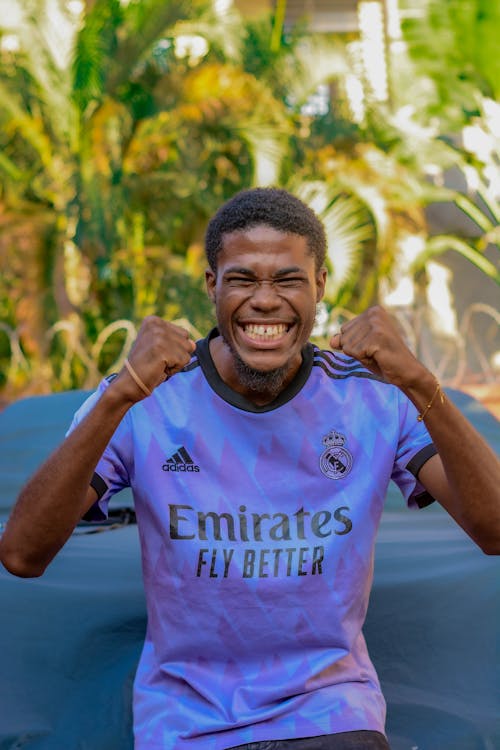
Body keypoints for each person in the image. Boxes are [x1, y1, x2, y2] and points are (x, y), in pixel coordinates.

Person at [1, 188, 499, 750]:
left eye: (288, 279)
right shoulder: (147, 399)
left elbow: (495, 531)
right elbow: (22, 555)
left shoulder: (373, 396)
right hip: (186, 722)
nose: (266, 300)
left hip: (331, 713)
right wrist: (121, 395)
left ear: (320, 287)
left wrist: (419, 381)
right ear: (212, 285)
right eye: (242, 279)